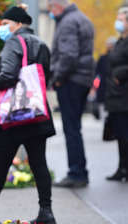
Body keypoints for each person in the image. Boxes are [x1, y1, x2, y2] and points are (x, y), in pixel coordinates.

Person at [0, 6, 57, 224]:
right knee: (39, 163)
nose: (3, 28)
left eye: (5, 23)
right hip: (36, 113)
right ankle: (46, 211)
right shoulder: (41, 43)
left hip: (13, 118)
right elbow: (45, 76)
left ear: (17, 24)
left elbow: (7, 75)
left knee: (0, 165)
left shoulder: (14, 42)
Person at [48, 0, 94, 188]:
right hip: (82, 79)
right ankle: (79, 171)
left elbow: (68, 55)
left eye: (51, 8)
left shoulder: (67, 22)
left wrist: (57, 77)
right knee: (75, 127)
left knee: (71, 129)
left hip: (71, 81)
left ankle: (76, 173)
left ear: (57, 6)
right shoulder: (82, 18)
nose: (51, 12)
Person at [105, 7, 128, 182]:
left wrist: (120, 73)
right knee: (120, 134)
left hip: (124, 95)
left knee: (125, 134)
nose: (118, 22)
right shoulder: (121, 41)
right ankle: (122, 168)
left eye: (122, 19)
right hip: (116, 95)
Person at [89, 37, 117, 120]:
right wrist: (94, 87)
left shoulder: (118, 58)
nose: (109, 46)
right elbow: (97, 76)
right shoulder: (103, 58)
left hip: (114, 91)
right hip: (103, 89)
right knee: (104, 115)